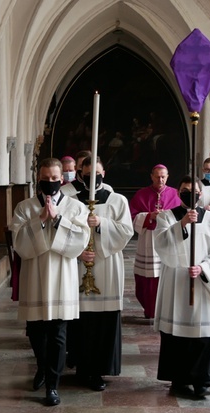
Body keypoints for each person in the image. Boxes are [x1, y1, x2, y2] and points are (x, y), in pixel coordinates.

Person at [10, 157, 90, 406]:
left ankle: (53, 385)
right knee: (36, 330)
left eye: (55, 179)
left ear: (62, 178)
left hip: (62, 276)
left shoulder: (76, 207)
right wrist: (41, 219)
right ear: (39, 178)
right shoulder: (24, 207)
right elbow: (20, 243)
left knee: (58, 331)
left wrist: (58, 220)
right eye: (46, 179)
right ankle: (42, 368)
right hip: (34, 275)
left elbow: (80, 241)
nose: (51, 183)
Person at [154, 175, 210, 398]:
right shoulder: (167, 217)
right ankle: (178, 379)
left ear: (201, 193)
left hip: (201, 282)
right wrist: (183, 224)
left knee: (201, 333)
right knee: (176, 333)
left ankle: (201, 380)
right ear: (178, 192)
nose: (191, 194)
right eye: (185, 190)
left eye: (195, 191)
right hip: (176, 282)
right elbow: (161, 243)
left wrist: (204, 268)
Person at [73, 156, 133, 391]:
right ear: (81, 175)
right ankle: (81, 368)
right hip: (80, 265)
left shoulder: (117, 201)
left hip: (107, 266)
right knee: (82, 321)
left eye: (96, 174)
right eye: (87, 175)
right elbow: (65, 231)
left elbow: (126, 231)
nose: (92, 178)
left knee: (104, 321)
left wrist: (101, 224)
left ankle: (100, 370)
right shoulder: (72, 201)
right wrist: (78, 252)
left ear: (104, 173)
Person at [129, 164, 182, 318]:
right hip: (148, 241)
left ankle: (166, 310)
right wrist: (149, 216)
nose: (160, 180)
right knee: (147, 278)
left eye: (163, 176)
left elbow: (181, 216)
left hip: (169, 240)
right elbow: (131, 217)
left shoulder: (175, 194)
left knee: (167, 275)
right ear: (151, 176)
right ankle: (150, 309)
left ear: (167, 176)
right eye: (157, 176)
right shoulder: (141, 194)